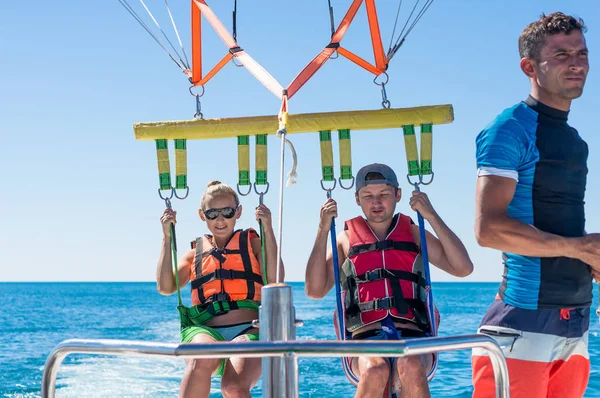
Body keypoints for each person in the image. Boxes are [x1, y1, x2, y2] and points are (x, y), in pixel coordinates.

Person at [471, 12, 600, 398]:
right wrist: (577, 247)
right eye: (561, 55)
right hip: (521, 327)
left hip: (574, 325)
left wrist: (591, 260)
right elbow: (488, 229)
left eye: (581, 52)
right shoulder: (509, 129)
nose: (576, 62)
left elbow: (560, 223)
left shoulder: (576, 141)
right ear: (530, 66)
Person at [305, 163, 473, 398]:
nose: (376, 203)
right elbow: (314, 290)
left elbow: (463, 268)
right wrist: (323, 230)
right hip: (365, 340)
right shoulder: (345, 239)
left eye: (384, 195)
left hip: (413, 337)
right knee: (375, 369)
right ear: (357, 199)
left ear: (398, 195)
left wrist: (431, 215)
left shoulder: (414, 234)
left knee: (410, 364)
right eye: (368, 196)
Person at [156, 181, 284, 398]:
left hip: (249, 330)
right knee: (200, 360)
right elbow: (166, 287)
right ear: (202, 215)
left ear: (239, 212)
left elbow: (275, 278)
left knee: (232, 387)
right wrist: (167, 237)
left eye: (227, 211)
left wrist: (268, 228)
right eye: (212, 213)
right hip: (206, 332)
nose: (220, 219)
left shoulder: (253, 245)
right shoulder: (194, 254)